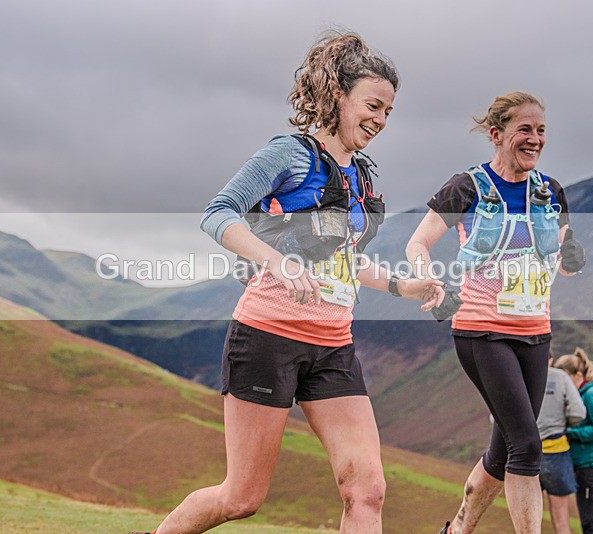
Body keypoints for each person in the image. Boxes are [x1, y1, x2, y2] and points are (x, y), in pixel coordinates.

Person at [130, 32, 443, 534]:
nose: (380, 120)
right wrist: (276, 261)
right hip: (268, 338)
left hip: (334, 348)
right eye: (372, 105)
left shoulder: (360, 177)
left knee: (366, 490)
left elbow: (344, 262)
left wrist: (402, 286)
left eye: (388, 111)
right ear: (338, 95)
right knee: (241, 498)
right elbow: (217, 214)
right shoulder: (290, 154)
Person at [405, 91, 587, 534]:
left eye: (541, 130)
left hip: (536, 335)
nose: (535, 139)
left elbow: (563, 261)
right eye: (524, 129)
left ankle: (457, 530)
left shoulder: (550, 191)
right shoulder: (467, 187)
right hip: (482, 332)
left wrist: (572, 256)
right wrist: (429, 279)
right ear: (497, 134)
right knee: (528, 444)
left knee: (504, 452)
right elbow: (417, 244)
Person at [554, 348, 593, 534]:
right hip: (585, 467)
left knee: (592, 526)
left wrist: (571, 433)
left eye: (565, 378)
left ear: (577, 375)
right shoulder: (580, 395)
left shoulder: (591, 394)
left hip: (592, 468)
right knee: (589, 525)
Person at [536, 355, 586, 534]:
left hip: (525, 456)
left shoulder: (517, 375)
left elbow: (494, 418)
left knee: (528, 521)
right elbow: (579, 413)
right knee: (561, 521)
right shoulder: (560, 377)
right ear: (549, 359)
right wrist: (564, 422)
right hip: (556, 454)